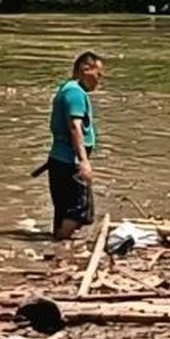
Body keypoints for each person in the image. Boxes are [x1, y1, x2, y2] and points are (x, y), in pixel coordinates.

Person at [46, 52, 104, 240]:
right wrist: (83, 161)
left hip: (59, 160)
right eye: (98, 74)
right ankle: (60, 244)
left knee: (64, 212)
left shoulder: (66, 88)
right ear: (85, 70)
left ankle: (57, 248)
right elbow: (74, 126)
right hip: (70, 161)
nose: (99, 80)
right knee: (80, 212)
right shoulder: (75, 93)